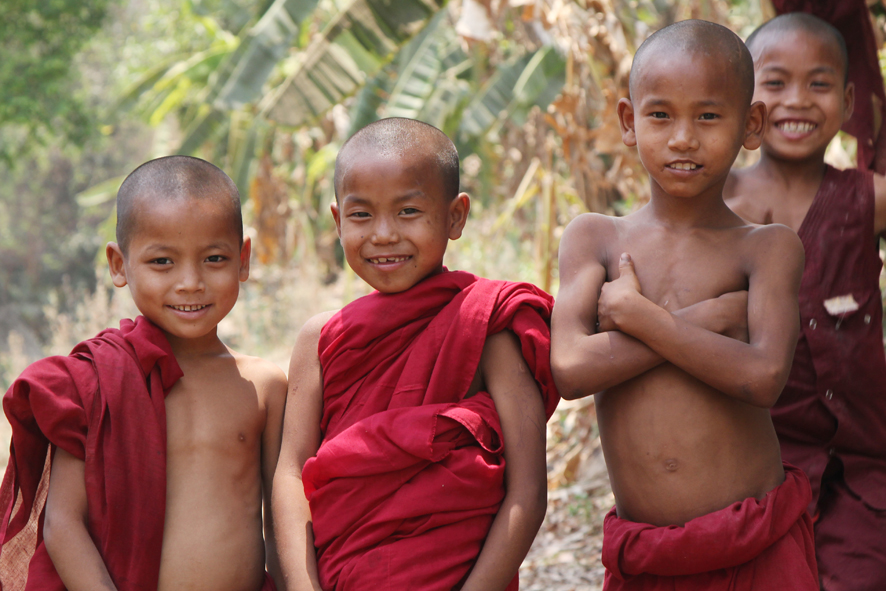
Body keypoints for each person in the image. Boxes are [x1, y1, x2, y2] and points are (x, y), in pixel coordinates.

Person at [551, 20, 818, 591]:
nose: (682, 139)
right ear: (628, 122)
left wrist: (643, 319)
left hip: (756, 544)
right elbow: (570, 370)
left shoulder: (767, 248)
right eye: (660, 115)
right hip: (649, 555)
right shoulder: (594, 237)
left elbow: (765, 378)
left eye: (708, 116)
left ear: (751, 125)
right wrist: (707, 321)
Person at [272, 118, 559, 591]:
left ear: (455, 216)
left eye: (408, 212)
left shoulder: (484, 324)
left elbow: (527, 491)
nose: (383, 234)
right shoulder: (321, 339)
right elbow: (290, 472)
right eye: (361, 215)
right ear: (338, 220)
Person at [0, 156, 286, 591]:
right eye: (162, 262)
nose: (190, 282)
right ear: (119, 264)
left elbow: (280, 524)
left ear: (243, 259)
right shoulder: (100, 379)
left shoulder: (265, 388)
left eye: (214, 258)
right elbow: (63, 523)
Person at [724, 13, 886, 591]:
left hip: (860, 468)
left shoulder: (869, 199)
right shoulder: (717, 200)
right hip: (749, 465)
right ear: (744, 103)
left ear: (847, 103)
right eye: (775, 82)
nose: (797, 100)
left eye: (818, 84)